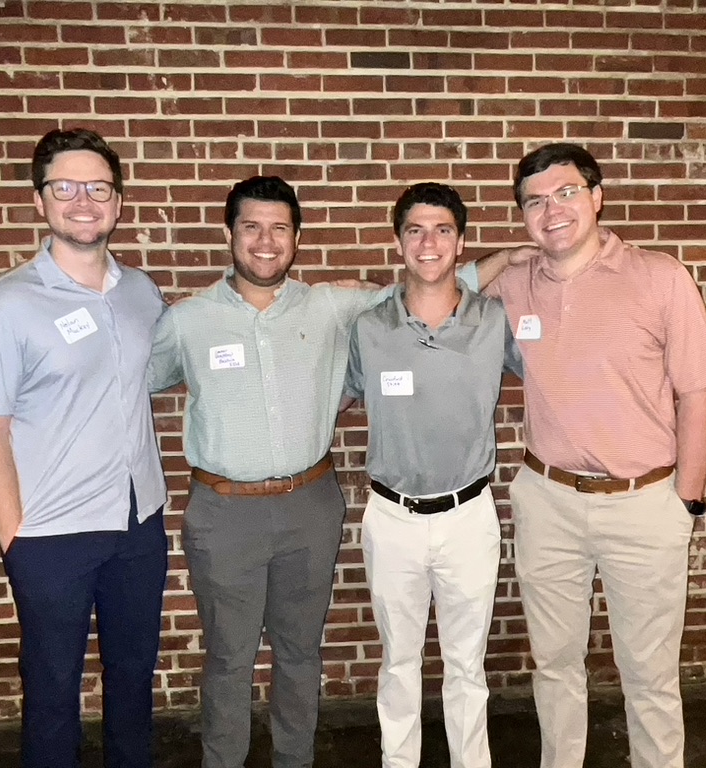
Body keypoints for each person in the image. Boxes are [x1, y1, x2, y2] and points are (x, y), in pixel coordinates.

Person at [149, 175, 519, 768]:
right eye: (252, 227)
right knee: (226, 657)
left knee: (301, 651)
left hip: (308, 504)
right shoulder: (187, 321)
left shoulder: (333, 306)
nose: (266, 242)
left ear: (295, 239)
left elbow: (433, 284)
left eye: (279, 229)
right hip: (223, 513)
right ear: (230, 233)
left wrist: (506, 258)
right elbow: (141, 379)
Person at [484, 143, 706, 768]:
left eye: (566, 192)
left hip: (643, 503)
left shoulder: (660, 277)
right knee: (555, 664)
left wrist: (686, 501)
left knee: (648, 673)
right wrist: (508, 256)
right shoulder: (516, 285)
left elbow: (698, 393)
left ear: (597, 198)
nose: (552, 210)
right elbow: (442, 287)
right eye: (534, 202)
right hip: (547, 500)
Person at [0, 128, 168, 768]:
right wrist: (15, 539)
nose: (84, 201)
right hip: (51, 534)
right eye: (66, 188)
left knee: (133, 682)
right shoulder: (5, 307)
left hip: (137, 523)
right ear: (41, 201)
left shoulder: (142, 293)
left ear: (118, 201)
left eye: (99, 188)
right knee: (52, 694)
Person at [343, 183, 522, 768]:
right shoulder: (369, 328)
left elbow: (553, 373)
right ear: (399, 242)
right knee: (399, 660)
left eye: (442, 230)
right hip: (392, 516)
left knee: (467, 665)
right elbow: (339, 395)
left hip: (469, 514)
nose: (429, 242)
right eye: (415, 230)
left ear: (460, 241)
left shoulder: (493, 320)